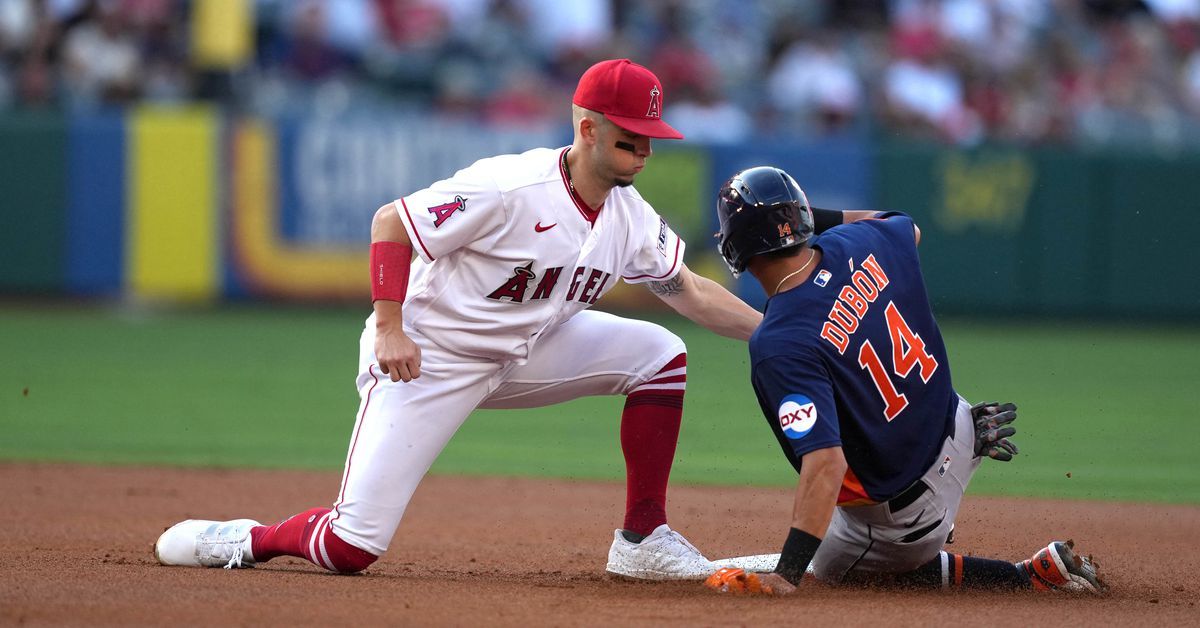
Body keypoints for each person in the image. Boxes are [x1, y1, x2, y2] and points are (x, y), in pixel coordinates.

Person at [153, 59, 764, 580]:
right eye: (631, 139)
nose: (644, 153)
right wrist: (389, 327)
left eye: (651, 140)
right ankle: (244, 539)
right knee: (350, 547)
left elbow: (689, 291)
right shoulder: (510, 187)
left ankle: (643, 539)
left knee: (660, 355)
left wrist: (773, 334)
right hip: (429, 360)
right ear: (587, 129)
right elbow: (391, 223)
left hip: (527, 351)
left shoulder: (630, 215)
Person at [701, 166, 1105, 595]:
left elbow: (826, 465)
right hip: (962, 426)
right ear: (804, 216)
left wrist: (787, 574)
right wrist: (799, 216)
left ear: (736, 246)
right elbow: (909, 228)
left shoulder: (778, 341)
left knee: (833, 566)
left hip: (910, 511)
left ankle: (1024, 578)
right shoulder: (862, 240)